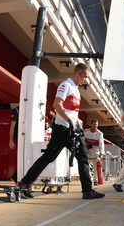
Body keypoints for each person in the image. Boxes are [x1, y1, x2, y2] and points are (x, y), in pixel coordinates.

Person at [18, 63, 104, 200]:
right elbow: (57, 104)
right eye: (86, 77)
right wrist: (69, 120)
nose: (86, 80)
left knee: (83, 158)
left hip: (72, 130)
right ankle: (25, 183)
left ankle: (87, 191)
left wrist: (77, 123)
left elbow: (73, 112)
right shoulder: (66, 86)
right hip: (61, 129)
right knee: (49, 157)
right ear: (79, 73)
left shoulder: (76, 91)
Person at [84, 119, 105, 185]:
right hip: (87, 152)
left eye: (96, 124)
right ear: (91, 124)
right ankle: (89, 179)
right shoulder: (86, 132)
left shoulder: (100, 133)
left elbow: (101, 144)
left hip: (96, 153)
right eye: (94, 124)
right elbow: (82, 140)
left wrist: (102, 153)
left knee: (95, 168)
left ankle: (95, 180)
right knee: (87, 168)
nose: (95, 126)